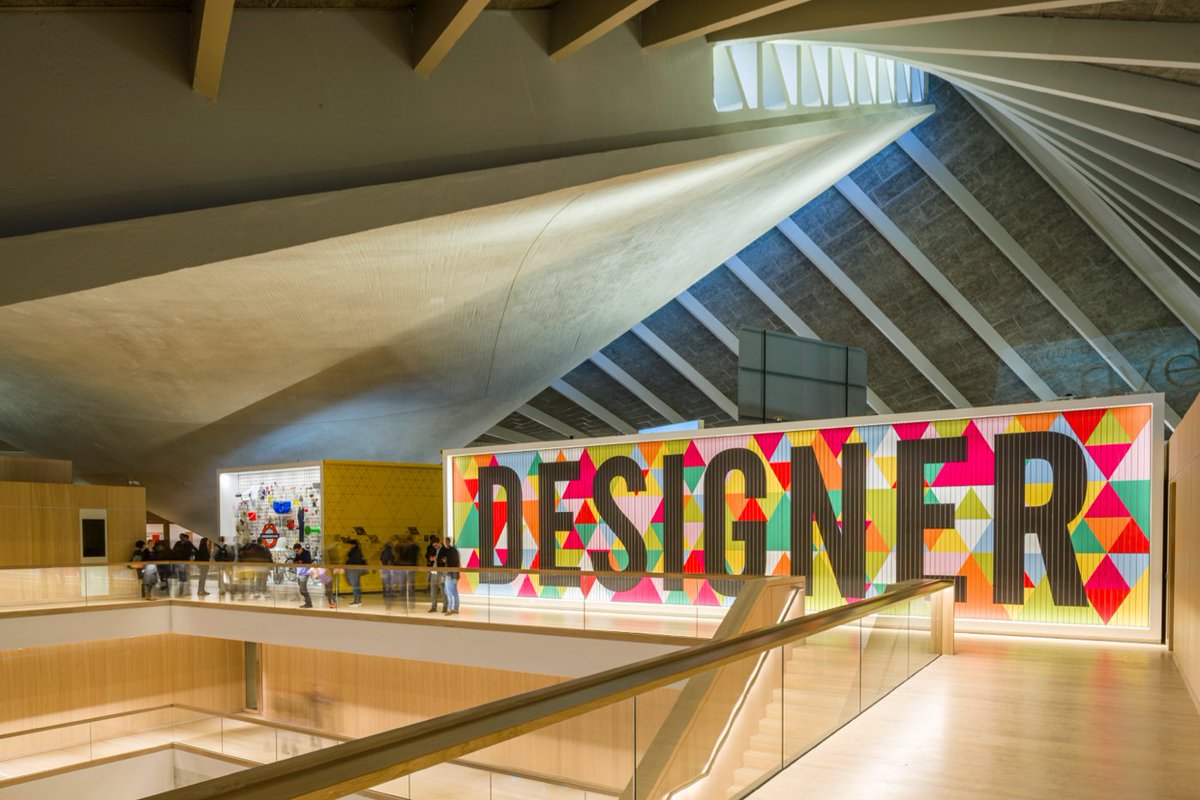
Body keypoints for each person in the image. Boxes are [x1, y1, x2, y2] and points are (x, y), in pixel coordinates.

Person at [170, 533, 198, 598]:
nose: (181, 538)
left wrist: (192, 554)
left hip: (186, 561)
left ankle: (184, 591)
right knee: (182, 577)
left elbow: (193, 550)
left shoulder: (188, 543)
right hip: (180, 562)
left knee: (185, 577)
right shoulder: (178, 543)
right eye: (180, 537)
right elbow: (174, 551)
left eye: (182, 537)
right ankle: (181, 592)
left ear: (186, 538)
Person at [438, 536, 461, 615]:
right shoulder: (453, 550)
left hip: (451, 574)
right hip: (453, 574)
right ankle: (455, 608)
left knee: (449, 591)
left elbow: (452, 563)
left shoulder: (452, 551)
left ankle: (450, 608)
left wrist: (446, 561)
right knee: (453, 591)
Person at [396, 534, 420, 606]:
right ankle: (404, 594)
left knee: (410, 582)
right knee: (405, 582)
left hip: (410, 566)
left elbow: (413, 557)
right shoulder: (406, 548)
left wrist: (409, 563)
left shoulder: (413, 547)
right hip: (405, 567)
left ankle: (410, 594)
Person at [344, 538, 365, 606]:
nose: (348, 546)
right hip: (356, 569)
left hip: (353, 570)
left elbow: (351, 560)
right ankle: (359, 600)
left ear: (353, 545)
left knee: (355, 585)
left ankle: (356, 601)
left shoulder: (354, 551)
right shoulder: (358, 550)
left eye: (349, 544)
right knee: (357, 585)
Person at [426, 534, 443, 613]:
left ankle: (445, 606)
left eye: (436, 545)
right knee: (433, 590)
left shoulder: (444, 550)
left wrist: (437, 559)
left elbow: (445, 560)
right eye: (434, 546)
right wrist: (431, 558)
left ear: (439, 542)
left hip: (441, 572)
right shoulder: (431, 549)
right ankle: (433, 606)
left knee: (443, 590)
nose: (435, 547)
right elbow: (428, 556)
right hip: (433, 572)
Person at [293, 542, 313, 608]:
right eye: (295, 551)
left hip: (305, 573)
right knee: (302, 589)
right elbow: (294, 561)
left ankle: (309, 603)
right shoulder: (297, 554)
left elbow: (307, 562)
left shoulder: (307, 553)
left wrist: (299, 562)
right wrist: (299, 561)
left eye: (297, 551)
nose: (296, 552)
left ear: (301, 548)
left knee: (302, 590)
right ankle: (308, 602)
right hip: (299, 573)